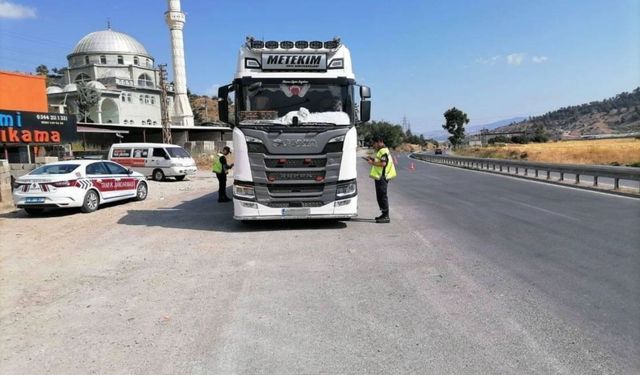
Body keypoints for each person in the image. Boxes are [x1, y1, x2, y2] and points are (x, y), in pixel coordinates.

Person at [367, 136, 397, 223]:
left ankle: (386, 216)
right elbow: (380, 161)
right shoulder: (381, 151)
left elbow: (383, 163)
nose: (374, 145)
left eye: (375, 143)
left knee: (382, 196)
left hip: (382, 177)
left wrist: (372, 163)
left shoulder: (383, 151)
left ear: (380, 142)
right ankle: (383, 214)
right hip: (380, 177)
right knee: (380, 196)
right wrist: (373, 160)